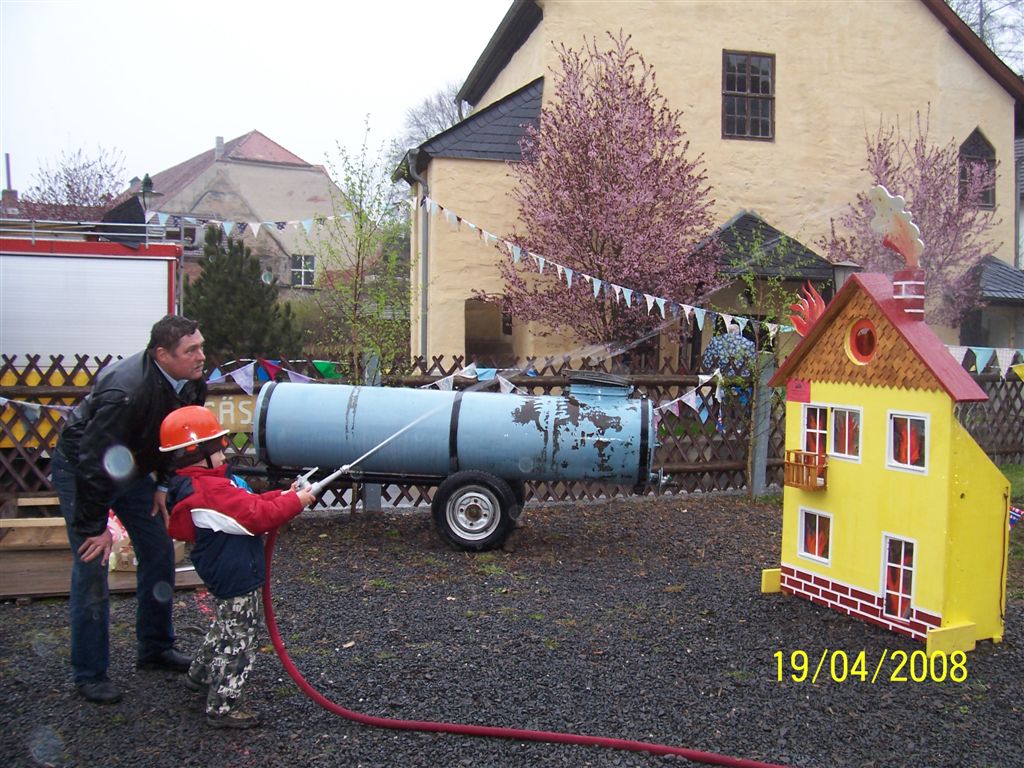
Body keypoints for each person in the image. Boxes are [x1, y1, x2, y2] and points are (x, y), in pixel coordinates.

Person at [52, 315, 207, 704]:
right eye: (191, 350)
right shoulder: (125, 391)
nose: (201, 356)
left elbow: (179, 438)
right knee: (91, 568)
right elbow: (92, 459)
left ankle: (155, 648)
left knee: (157, 553)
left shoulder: (191, 383)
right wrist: (94, 525)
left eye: (201, 346)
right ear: (161, 354)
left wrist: (161, 483)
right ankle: (90, 672)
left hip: (136, 468)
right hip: (85, 469)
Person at [161, 406, 316, 729]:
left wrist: (283, 494)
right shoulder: (207, 492)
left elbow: (250, 503)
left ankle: (199, 675)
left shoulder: (211, 483)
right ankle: (223, 706)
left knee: (225, 626)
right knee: (240, 637)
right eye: (217, 448)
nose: (224, 453)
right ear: (197, 454)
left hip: (230, 569)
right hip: (235, 574)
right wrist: (295, 503)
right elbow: (254, 518)